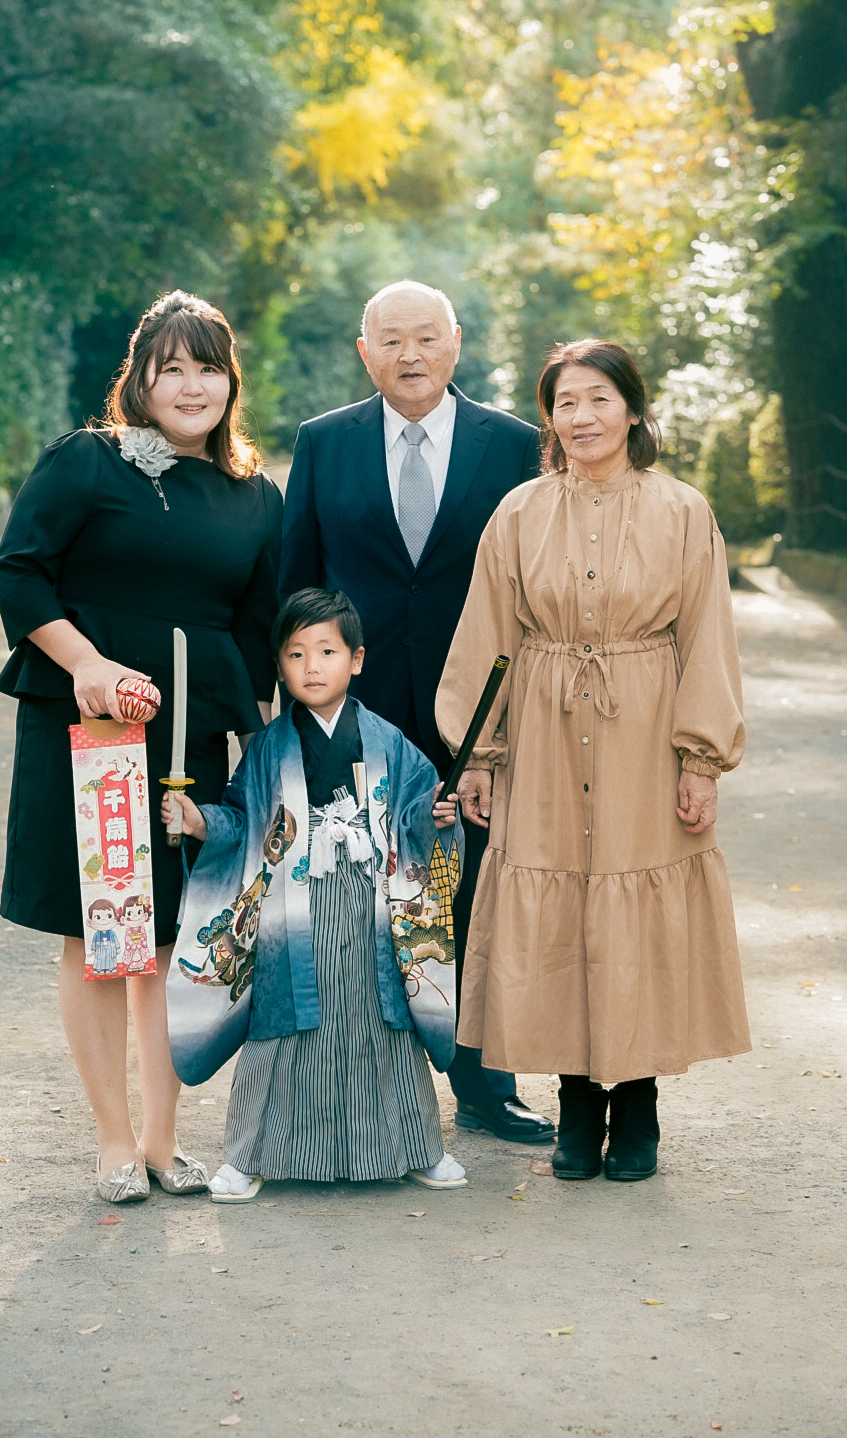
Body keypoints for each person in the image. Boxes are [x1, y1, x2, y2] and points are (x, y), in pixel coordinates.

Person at [436, 338, 750, 1182]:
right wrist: (478, 755)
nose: (581, 417)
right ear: (551, 418)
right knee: (560, 917)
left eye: (598, 399)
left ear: (634, 410)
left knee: (635, 909)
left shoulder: (684, 512)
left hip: (645, 733)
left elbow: (707, 643)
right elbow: (488, 639)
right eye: (566, 403)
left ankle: (637, 1102)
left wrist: (700, 760)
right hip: (539, 727)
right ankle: (577, 1104)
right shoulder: (519, 513)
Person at [0, 290, 282, 1202]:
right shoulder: (91, 463)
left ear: (230, 382)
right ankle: (114, 1144)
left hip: (192, 745)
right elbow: (20, 570)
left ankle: (164, 1141)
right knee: (97, 934)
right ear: (141, 380)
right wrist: (85, 662)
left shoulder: (255, 497)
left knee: (173, 936)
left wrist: (268, 755)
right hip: (92, 735)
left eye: (208, 367)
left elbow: (255, 630)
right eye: (172, 367)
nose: (191, 385)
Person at [279, 279, 553, 1144]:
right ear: (365, 352)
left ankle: (485, 1079)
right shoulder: (324, 443)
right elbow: (299, 578)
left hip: (481, 708)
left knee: (476, 887)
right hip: (353, 708)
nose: (410, 355)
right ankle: (355, 1081)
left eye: (426, 338)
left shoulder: (512, 445)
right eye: (391, 340)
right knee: (354, 889)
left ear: (456, 343)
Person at [162, 588, 467, 1202]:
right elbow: (244, 823)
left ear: (356, 660)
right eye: (296, 654)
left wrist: (433, 817)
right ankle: (248, 1156)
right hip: (288, 916)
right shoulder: (270, 747)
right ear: (280, 666)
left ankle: (416, 1148)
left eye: (327, 651)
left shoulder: (385, 738)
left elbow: (416, 807)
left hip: (371, 908)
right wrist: (199, 822)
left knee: (384, 1023)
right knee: (281, 1024)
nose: (312, 666)